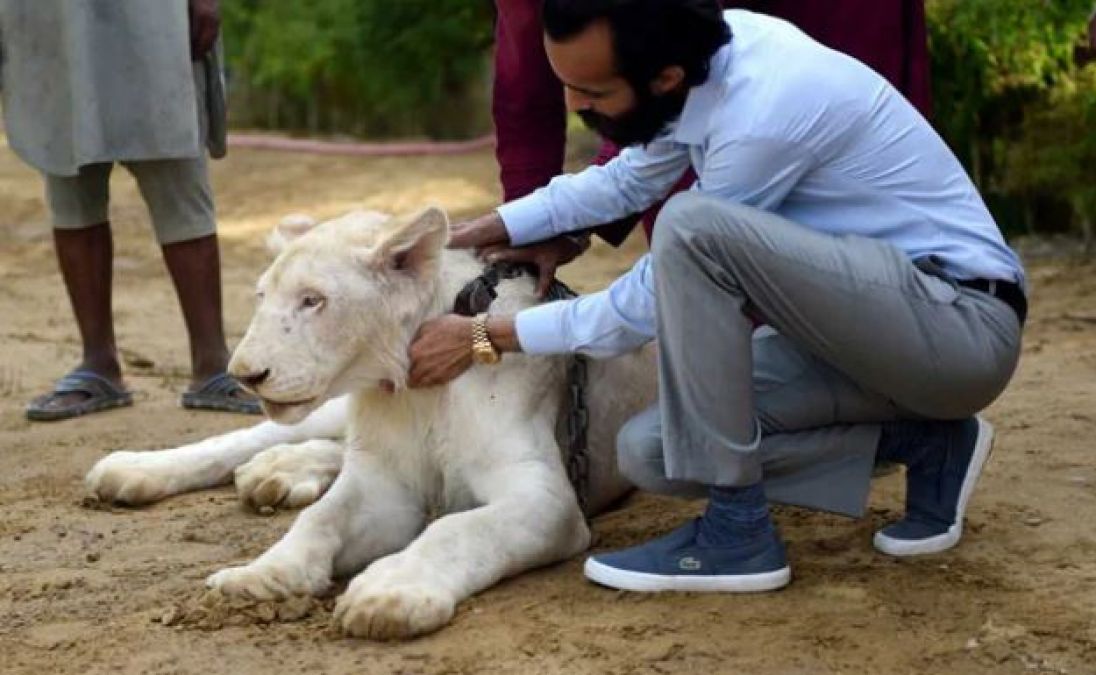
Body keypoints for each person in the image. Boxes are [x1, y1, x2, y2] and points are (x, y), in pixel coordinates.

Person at [408, 0, 1026, 593]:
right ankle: (932, 445)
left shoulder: (766, 108)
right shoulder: (707, 54)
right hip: (871, 339)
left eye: (593, 94)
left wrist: (487, 336)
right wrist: (496, 225)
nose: (573, 106)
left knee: (691, 226)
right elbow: (626, 177)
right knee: (653, 452)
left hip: (958, 327)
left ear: (665, 78)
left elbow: (644, 305)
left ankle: (738, 535)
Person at [488, 0, 933, 292]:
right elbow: (523, 88)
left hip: (826, 38)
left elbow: (685, 62)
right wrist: (528, 238)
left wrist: (508, 332)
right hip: (687, 82)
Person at [0, 0, 259, 420]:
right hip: (50, 21)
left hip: (150, 19)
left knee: (177, 176)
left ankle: (213, 365)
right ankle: (98, 364)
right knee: (69, 178)